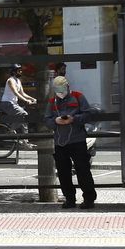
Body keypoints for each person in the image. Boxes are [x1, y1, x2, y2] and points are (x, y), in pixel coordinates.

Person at [45, 76, 96, 210]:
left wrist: (73, 119)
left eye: (62, 89)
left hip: (77, 140)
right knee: (63, 172)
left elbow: (88, 115)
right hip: (60, 142)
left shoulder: (78, 97)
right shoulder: (52, 101)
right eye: (57, 90)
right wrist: (55, 122)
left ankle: (89, 199)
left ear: (67, 86)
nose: (60, 93)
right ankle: (69, 199)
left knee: (83, 170)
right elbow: (47, 119)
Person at [0, 64, 38, 130]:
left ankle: (24, 139)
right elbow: (16, 92)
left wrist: (32, 98)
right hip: (7, 104)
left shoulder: (18, 81)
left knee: (24, 119)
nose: (21, 72)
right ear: (14, 72)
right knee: (23, 114)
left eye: (21, 70)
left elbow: (22, 93)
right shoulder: (10, 80)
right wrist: (26, 100)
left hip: (13, 104)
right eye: (19, 71)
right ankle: (11, 131)